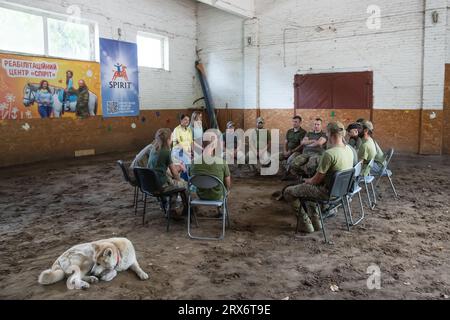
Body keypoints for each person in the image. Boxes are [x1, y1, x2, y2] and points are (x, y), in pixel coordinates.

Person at [283, 121, 355, 233]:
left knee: (288, 191)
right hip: (341, 192)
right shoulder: (349, 150)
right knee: (307, 190)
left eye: (327, 133)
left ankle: (306, 224)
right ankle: (316, 222)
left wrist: (305, 180)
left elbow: (315, 181)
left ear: (331, 134)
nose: (326, 135)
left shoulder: (329, 154)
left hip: (326, 193)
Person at [147, 128, 188, 215]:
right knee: (184, 185)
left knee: (175, 183)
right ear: (168, 140)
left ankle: (165, 205)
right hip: (161, 185)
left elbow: (160, 168)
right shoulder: (166, 152)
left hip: (150, 184)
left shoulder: (153, 149)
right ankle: (182, 210)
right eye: (171, 138)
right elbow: (174, 172)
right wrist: (179, 180)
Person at [192, 131, 231, 201]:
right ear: (214, 145)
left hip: (201, 195)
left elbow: (191, 179)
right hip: (217, 195)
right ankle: (222, 210)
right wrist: (228, 190)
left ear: (202, 144)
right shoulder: (222, 162)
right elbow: (227, 182)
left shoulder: (193, 162)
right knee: (225, 187)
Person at [281, 116, 307, 180]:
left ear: (300, 123)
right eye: (293, 121)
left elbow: (302, 145)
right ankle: (289, 171)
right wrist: (285, 151)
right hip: (288, 151)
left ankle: (287, 174)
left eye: (296, 122)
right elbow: (285, 142)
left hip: (297, 152)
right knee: (276, 157)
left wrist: (292, 151)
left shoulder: (303, 132)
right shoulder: (289, 131)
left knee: (290, 160)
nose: (294, 123)